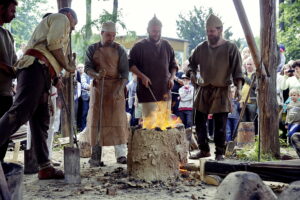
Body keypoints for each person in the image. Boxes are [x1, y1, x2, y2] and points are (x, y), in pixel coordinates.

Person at [0, 7, 78, 179]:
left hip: (41, 71)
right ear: (70, 16)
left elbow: (51, 52)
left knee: (40, 120)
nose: (72, 28)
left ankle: (44, 167)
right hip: (35, 67)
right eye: (74, 25)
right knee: (20, 111)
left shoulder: (58, 23)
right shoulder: (61, 18)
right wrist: (68, 66)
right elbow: (54, 45)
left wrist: (57, 76)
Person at [187, 14, 244, 161]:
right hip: (204, 88)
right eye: (207, 31)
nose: (209, 34)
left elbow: (238, 70)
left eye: (212, 31)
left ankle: (219, 152)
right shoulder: (201, 47)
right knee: (199, 121)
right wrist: (192, 74)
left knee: (220, 124)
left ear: (220, 30)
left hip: (222, 89)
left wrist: (238, 88)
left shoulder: (230, 48)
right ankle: (204, 150)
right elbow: (191, 64)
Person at [85, 21, 129, 166]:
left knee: (118, 121)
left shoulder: (120, 49)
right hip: (99, 88)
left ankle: (121, 155)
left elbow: (124, 73)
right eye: (108, 35)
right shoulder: (92, 48)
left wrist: (118, 90)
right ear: (102, 33)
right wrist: (96, 75)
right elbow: (87, 68)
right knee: (97, 122)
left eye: (113, 35)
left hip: (116, 87)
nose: (111, 38)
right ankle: (95, 156)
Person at [129, 15, 178, 120]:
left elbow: (173, 65)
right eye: (154, 31)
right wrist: (142, 76)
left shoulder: (167, 45)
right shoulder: (139, 46)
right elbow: (130, 64)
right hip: (147, 93)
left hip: (165, 91)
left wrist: (172, 78)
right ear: (148, 30)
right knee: (150, 127)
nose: (157, 34)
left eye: (159, 31)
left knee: (164, 126)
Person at [0, 0, 18, 163]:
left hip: (5, 93)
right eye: (12, 11)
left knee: (4, 135)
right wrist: (7, 69)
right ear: (1, 8)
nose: (14, 15)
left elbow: (15, 62)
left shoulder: (7, 35)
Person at [178, 74, 197, 150]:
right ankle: (183, 142)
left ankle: (190, 143)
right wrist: (184, 96)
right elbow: (182, 97)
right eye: (183, 80)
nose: (185, 81)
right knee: (182, 125)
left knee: (189, 124)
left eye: (187, 79)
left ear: (189, 80)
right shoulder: (180, 89)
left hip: (189, 108)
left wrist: (183, 97)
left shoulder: (193, 88)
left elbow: (191, 96)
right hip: (181, 109)